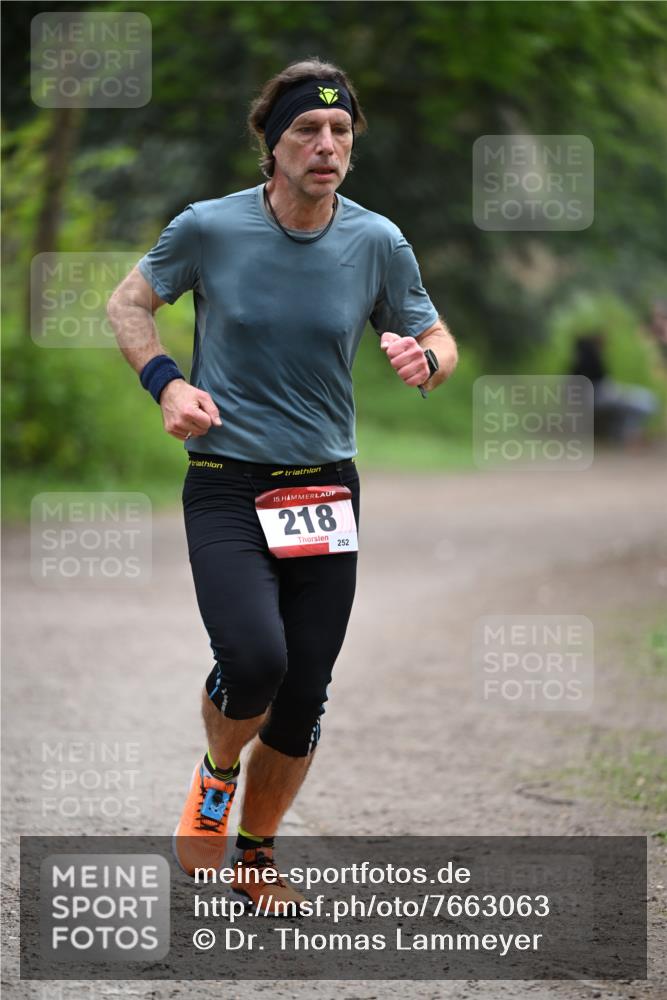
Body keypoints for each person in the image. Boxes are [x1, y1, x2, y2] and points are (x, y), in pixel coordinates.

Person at [108, 58, 458, 913]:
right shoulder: (208, 228)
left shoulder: (376, 241)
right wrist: (167, 384)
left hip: (325, 491)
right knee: (255, 661)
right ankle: (217, 773)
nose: (326, 144)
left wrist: (427, 361)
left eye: (340, 130)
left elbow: (436, 336)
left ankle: (257, 856)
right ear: (272, 143)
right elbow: (128, 304)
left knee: (303, 694)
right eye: (306, 128)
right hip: (227, 480)